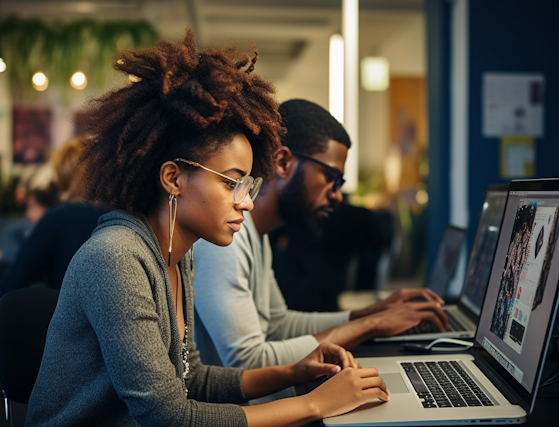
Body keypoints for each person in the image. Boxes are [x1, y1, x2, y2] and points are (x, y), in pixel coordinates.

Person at [24, 29, 389, 427]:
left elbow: (192, 379)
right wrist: (315, 404)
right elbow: (169, 417)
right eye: (232, 182)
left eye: (248, 186)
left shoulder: (178, 255)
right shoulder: (116, 258)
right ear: (173, 178)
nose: (246, 202)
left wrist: (296, 371)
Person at [192, 99, 448, 374]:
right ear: (283, 162)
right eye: (331, 177)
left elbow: (278, 325)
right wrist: (371, 325)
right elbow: (247, 361)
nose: (337, 194)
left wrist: (371, 314)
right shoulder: (226, 237)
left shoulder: (256, 233)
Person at [0, 136, 107, 305]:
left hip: (66, 323)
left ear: (62, 175)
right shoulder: (118, 216)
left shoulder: (56, 219)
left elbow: (18, 275)